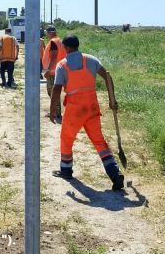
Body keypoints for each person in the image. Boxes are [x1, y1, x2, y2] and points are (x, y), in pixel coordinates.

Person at [49, 34, 124, 190]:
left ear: (65, 47)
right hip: (91, 106)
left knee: (67, 138)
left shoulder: (62, 65)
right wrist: (112, 100)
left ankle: (66, 170)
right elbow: (108, 77)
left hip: (75, 109)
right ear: (77, 45)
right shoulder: (91, 59)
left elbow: (56, 89)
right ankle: (115, 174)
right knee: (99, 141)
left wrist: (53, 110)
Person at [43, 26, 67, 122]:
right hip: (58, 70)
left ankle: (56, 113)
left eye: (46, 32)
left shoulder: (53, 42)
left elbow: (53, 56)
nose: (46, 34)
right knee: (54, 92)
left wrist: (48, 70)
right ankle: (56, 112)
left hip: (53, 72)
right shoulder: (59, 41)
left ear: (49, 32)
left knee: (53, 92)